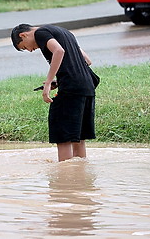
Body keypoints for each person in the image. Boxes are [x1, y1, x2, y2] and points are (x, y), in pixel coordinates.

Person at [11, 24, 97, 162]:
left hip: (71, 89)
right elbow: (87, 60)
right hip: (87, 86)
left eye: (25, 47)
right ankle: (81, 178)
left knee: (63, 137)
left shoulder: (40, 33)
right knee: (78, 138)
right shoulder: (64, 32)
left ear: (23, 35)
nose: (30, 50)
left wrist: (48, 82)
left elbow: (59, 51)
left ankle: (65, 180)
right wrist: (61, 80)